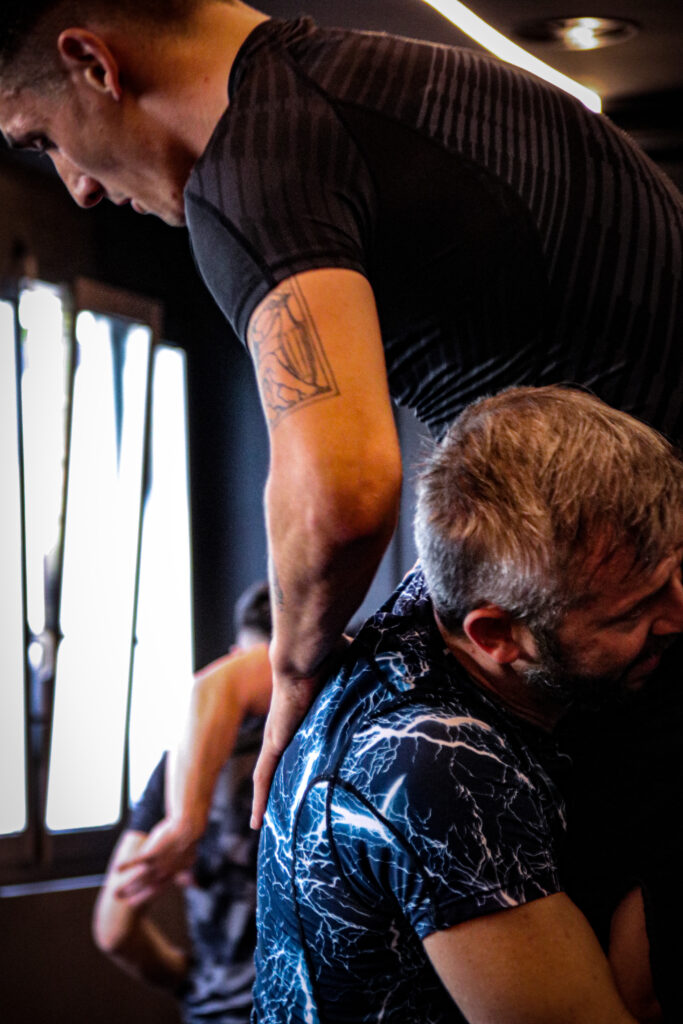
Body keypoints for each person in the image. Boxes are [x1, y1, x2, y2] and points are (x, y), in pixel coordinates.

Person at [0, 1, 682, 828]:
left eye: (42, 138)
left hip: (637, 625)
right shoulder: (378, 82)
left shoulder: (253, 165)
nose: (76, 187)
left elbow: (340, 493)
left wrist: (292, 678)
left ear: (93, 64)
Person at [253, 385, 683, 1023]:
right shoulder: (438, 764)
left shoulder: (457, 585)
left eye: (677, 571)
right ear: (497, 635)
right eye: (632, 613)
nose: (678, 614)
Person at [92, 581, 272, 1024]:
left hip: (215, 1009)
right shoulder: (332, 739)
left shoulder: (178, 765)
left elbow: (115, 930)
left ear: (236, 655)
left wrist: (187, 981)